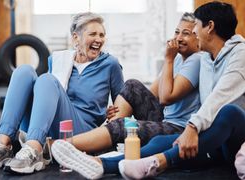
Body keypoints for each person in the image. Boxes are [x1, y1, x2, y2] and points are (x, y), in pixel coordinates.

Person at [115, 2, 245, 179]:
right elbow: (158, 93)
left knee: (229, 112)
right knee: (161, 141)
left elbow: (218, 98)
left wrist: (192, 127)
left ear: (210, 27)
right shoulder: (207, 58)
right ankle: (104, 164)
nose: (193, 33)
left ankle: (160, 162)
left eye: (196, 27)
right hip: (219, 140)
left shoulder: (244, 55)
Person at [50, 12, 203, 179]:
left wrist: (168, 59)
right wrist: (117, 110)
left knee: (125, 126)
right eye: (177, 32)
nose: (179, 38)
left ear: (198, 38)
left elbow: (166, 97)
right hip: (165, 119)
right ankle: (105, 135)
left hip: (179, 127)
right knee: (132, 85)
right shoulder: (180, 59)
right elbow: (149, 95)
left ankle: (59, 146)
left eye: (186, 34)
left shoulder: (196, 60)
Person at [0, 12, 124, 174]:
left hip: (82, 131)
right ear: (76, 38)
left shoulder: (110, 64)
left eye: (102, 35)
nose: (99, 39)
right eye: (93, 34)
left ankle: (34, 150)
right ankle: (2, 145)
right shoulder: (58, 59)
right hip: (48, 125)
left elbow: (124, 105)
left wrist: (112, 113)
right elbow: (48, 97)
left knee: (47, 79)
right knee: (24, 71)